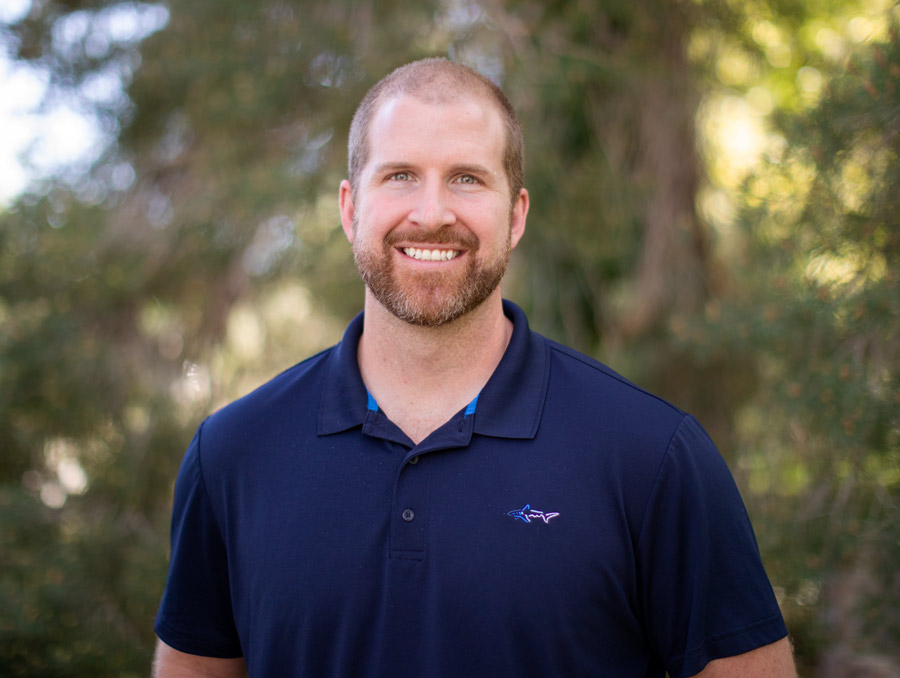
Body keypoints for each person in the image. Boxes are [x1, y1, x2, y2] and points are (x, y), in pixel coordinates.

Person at [153, 58, 796, 677]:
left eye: (467, 178)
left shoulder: (651, 456)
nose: (432, 213)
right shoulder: (234, 453)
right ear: (350, 209)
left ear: (515, 215)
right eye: (400, 174)